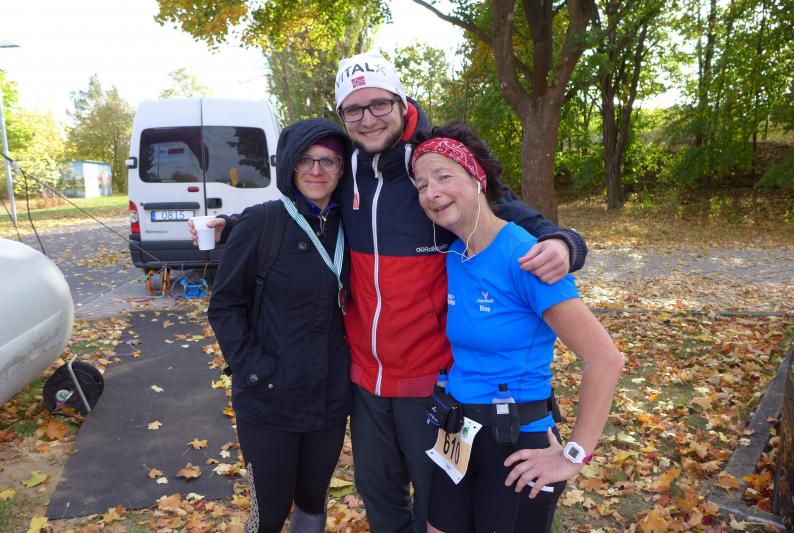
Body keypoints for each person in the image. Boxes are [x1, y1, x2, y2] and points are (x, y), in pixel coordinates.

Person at [193, 52, 589, 533]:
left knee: (435, 505)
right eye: (353, 110)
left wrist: (564, 242)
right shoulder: (346, 169)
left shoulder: (432, 165)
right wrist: (234, 222)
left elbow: (503, 209)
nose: (368, 118)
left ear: (401, 102)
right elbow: (302, 203)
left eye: (379, 104)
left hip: (432, 383)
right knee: (379, 497)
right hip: (364, 382)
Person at [410, 121, 624, 532]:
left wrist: (574, 455)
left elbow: (606, 359)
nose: (431, 192)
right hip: (456, 433)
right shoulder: (454, 255)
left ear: (477, 179)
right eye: (421, 185)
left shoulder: (527, 256)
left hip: (516, 443)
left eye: (443, 177)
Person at [206, 118, 352, 533]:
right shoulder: (262, 222)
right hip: (269, 399)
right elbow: (225, 306)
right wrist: (255, 369)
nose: (316, 170)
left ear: (342, 168)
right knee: (269, 513)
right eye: (306, 159)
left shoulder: (352, 226)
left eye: (328, 160)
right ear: (289, 165)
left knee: (313, 503)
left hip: (329, 400)